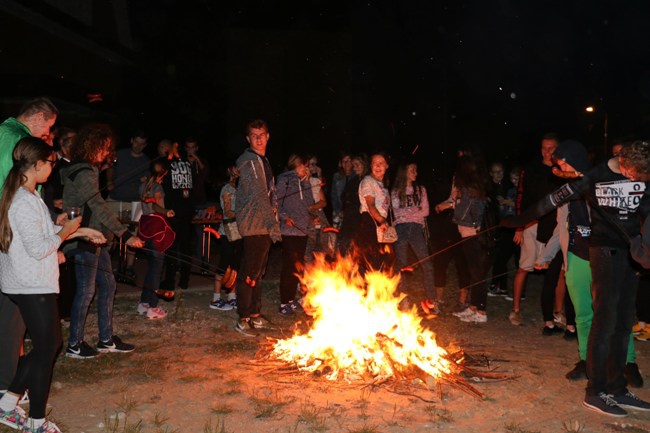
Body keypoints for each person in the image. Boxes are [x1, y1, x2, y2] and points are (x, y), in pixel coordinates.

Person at [503, 140, 650, 417]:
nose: (635, 180)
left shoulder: (641, 175)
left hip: (631, 256)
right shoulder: (595, 177)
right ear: (623, 161)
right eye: (633, 173)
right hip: (603, 253)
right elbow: (552, 200)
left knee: (622, 323)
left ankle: (618, 388)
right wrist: (519, 219)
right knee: (604, 321)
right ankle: (596, 392)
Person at [0, 137, 103, 433]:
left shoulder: (27, 196)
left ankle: (7, 403)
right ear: (36, 165)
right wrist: (68, 230)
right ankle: (36, 422)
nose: (52, 169)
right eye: (49, 163)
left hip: (27, 281)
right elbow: (38, 248)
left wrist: (81, 231)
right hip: (30, 283)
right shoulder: (23, 201)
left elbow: (43, 235)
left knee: (47, 346)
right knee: (48, 349)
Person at [550, 141, 642, 387]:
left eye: (564, 163)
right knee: (583, 315)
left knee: (618, 314)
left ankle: (628, 362)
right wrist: (548, 256)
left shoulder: (603, 182)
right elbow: (561, 224)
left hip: (608, 258)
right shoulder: (568, 189)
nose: (561, 168)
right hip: (578, 257)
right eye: (559, 165)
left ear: (577, 160)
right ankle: (586, 361)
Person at [61, 123, 143, 359]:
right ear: (93, 145)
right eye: (104, 147)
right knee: (86, 292)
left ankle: (106, 339)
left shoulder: (86, 169)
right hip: (85, 237)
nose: (107, 152)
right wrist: (125, 234)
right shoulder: (85, 171)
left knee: (108, 285)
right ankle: (74, 344)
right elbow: (98, 206)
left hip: (96, 238)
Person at [0, 97, 58, 399]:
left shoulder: (2, 131)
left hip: (11, 235)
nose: (46, 135)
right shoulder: (19, 139)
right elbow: (11, 195)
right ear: (37, 117)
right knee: (14, 316)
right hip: (15, 243)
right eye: (47, 127)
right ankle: (7, 387)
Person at [509, 133, 562, 326]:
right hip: (532, 224)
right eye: (544, 148)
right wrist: (519, 226)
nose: (547, 152)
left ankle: (558, 311)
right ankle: (515, 310)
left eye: (551, 148)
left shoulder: (563, 170)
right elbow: (520, 197)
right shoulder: (530, 169)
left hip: (556, 226)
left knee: (560, 271)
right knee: (524, 266)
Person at [233, 120, 281, 336]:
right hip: (254, 224)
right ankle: (243, 318)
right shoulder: (249, 161)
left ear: (268, 136)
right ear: (248, 139)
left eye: (261, 134)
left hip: (263, 223)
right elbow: (261, 195)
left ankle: (255, 314)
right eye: (254, 135)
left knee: (258, 272)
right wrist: (273, 225)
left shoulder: (262, 160)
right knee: (249, 273)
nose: (258, 139)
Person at [438, 154, 490, 323]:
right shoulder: (468, 188)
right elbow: (461, 207)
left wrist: (475, 226)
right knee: (473, 272)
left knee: (477, 273)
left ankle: (480, 311)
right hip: (466, 232)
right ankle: (474, 307)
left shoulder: (472, 189)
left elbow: (476, 209)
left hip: (472, 234)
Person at [390, 162, 436, 314]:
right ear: (404, 172)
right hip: (401, 229)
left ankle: (431, 300)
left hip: (416, 228)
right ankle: (403, 300)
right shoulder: (396, 191)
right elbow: (396, 213)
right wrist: (414, 210)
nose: (416, 173)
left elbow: (426, 211)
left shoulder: (421, 190)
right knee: (401, 266)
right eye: (412, 170)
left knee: (426, 263)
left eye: (416, 170)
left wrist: (408, 213)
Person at [276, 154, 314, 316]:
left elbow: (309, 203)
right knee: (289, 266)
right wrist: (285, 217)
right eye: (303, 166)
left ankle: (291, 299)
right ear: (295, 165)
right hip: (289, 229)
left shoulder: (304, 182)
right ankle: (284, 302)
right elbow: (276, 201)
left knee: (297, 266)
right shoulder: (284, 179)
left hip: (302, 229)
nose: (306, 168)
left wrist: (306, 182)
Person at [137, 160, 175, 320]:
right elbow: (155, 206)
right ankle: (153, 306)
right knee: (157, 268)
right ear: (164, 173)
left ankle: (144, 303)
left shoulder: (143, 185)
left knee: (152, 266)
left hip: (145, 226)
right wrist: (166, 211)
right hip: (156, 227)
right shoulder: (157, 187)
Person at [158, 139, 194, 297]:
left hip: (173, 211)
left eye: (162, 148)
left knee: (172, 248)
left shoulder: (165, 163)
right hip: (187, 209)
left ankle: (169, 282)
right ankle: (184, 280)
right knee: (185, 246)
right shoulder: (186, 162)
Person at [354, 152, 394, 273]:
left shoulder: (383, 185)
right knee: (371, 263)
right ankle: (365, 291)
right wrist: (382, 221)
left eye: (381, 163)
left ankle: (379, 291)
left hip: (381, 225)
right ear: (370, 166)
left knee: (383, 261)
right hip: (370, 223)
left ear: (387, 165)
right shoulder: (368, 181)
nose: (377, 166)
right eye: (375, 163)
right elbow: (371, 205)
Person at [210, 165, 242, 310]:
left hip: (238, 231)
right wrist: (243, 214)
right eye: (236, 169)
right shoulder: (226, 190)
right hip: (227, 232)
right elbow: (228, 212)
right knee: (224, 264)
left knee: (235, 265)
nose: (239, 171)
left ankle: (231, 297)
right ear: (230, 172)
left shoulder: (237, 189)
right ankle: (216, 299)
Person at [337, 154, 367, 255]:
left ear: (364, 165)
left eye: (357, 164)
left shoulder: (368, 180)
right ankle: (342, 263)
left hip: (361, 216)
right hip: (349, 215)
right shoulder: (354, 180)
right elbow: (344, 196)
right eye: (354, 165)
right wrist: (343, 209)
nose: (355, 168)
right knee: (344, 240)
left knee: (358, 242)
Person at [331, 153, 353, 229]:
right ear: (341, 164)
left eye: (349, 160)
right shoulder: (337, 176)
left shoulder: (357, 176)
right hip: (338, 210)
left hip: (352, 212)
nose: (347, 163)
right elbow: (334, 195)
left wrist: (348, 212)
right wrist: (338, 210)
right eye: (344, 161)